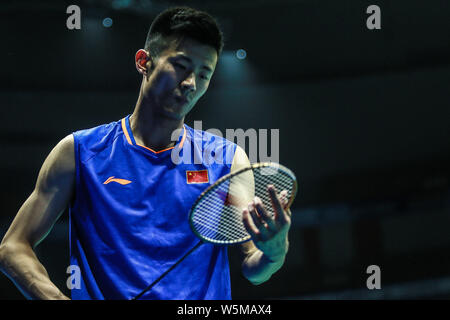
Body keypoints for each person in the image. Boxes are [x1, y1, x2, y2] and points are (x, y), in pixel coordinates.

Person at [0, 6, 291, 300]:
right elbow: (13, 247)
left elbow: (254, 269)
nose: (191, 83)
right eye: (181, 65)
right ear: (144, 62)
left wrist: (274, 252)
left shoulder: (227, 160)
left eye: (204, 74)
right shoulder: (78, 153)